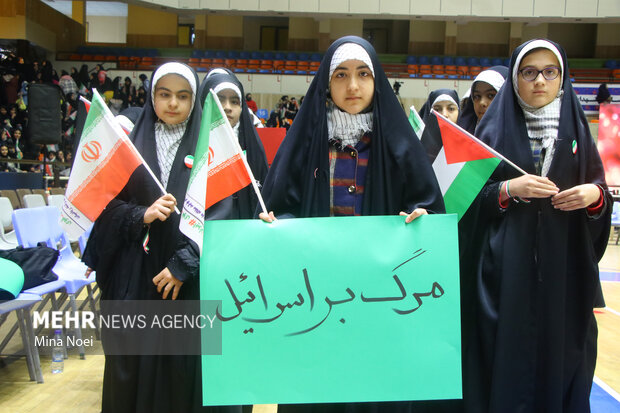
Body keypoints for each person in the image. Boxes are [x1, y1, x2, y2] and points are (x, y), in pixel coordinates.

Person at [259, 37, 445, 412]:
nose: (353, 86)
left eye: (363, 74)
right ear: (326, 84)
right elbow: (284, 205)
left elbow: (427, 206)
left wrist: (421, 219)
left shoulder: (399, 144)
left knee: (376, 390)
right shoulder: (306, 141)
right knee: (317, 390)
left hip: (380, 298)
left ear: (377, 81)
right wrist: (280, 224)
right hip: (317, 296)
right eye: (341, 75)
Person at [462, 39, 612, 413]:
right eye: (529, 72)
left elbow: (600, 193)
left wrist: (593, 198)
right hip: (502, 276)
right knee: (500, 361)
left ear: (562, 78)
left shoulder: (578, 131)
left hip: (563, 274)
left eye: (550, 71)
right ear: (515, 78)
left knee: (559, 362)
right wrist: (507, 190)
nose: (540, 81)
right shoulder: (491, 132)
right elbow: (464, 203)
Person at [82, 62, 228, 413]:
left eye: (182, 96)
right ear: (152, 97)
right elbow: (106, 208)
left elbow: (222, 213)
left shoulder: (212, 149)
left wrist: (183, 265)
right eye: (165, 95)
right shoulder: (128, 149)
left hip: (187, 285)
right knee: (130, 369)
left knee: (180, 375)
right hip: (136, 279)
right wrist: (140, 215)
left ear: (195, 101)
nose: (173, 104)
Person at [200, 70, 268, 219]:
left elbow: (265, 197)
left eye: (235, 101)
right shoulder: (193, 143)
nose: (227, 107)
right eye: (220, 99)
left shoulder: (253, 146)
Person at [457, 66, 508, 135]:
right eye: (477, 96)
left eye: (491, 95)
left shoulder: (521, 135)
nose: (482, 102)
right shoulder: (462, 135)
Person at [418, 89, 460, 163]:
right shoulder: (418, 146)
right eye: (437, 109)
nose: (444, 114)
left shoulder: (469, 146)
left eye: (451, 109)